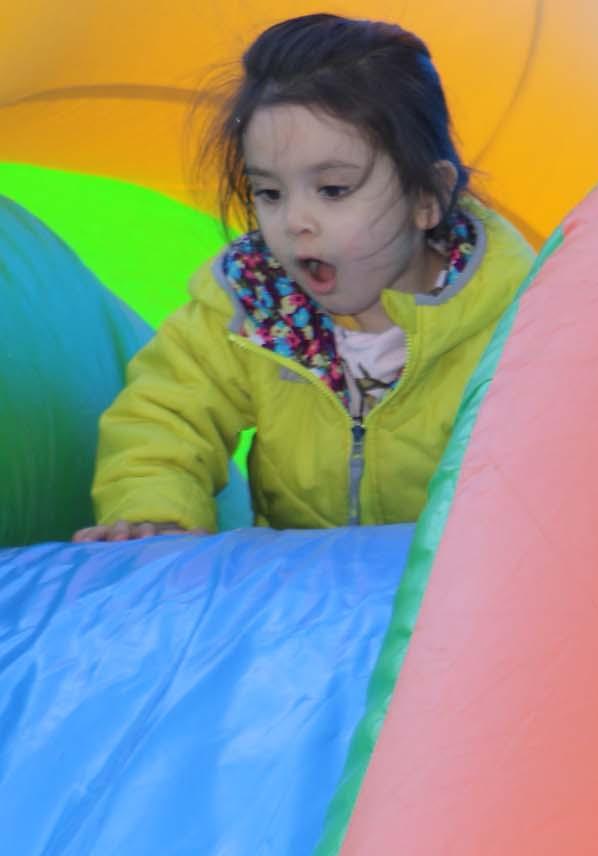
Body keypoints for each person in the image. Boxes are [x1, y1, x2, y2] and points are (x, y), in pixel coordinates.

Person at [75, 13, 532, 541]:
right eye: (269, 193)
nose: (294, 222)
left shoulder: (510, 328)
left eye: (333, 190)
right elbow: (165, 414)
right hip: (299, 608)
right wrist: (154, 514)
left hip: (448, 602)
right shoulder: (257, 306)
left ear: (426, 197)